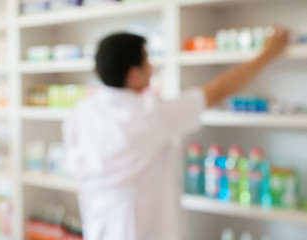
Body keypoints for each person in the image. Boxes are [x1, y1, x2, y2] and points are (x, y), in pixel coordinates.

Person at [62, 27, 289, 240]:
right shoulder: (148, 115)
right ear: (132, 74)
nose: (152, 68)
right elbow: (216, 92)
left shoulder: (81, 112)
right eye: (147, 61)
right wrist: (268, 53)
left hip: (99, 226)